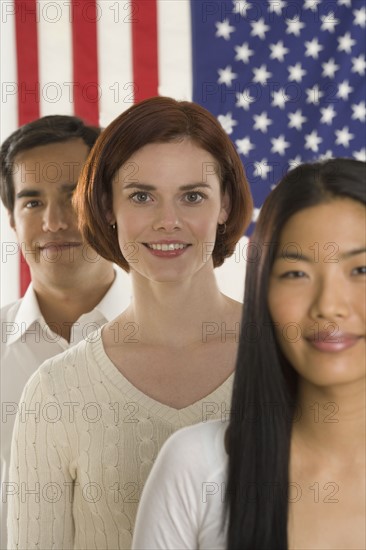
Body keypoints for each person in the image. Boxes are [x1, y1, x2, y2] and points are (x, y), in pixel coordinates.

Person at [7, 97, 253, 549]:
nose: (167, 222)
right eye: (142, 196)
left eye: (192, 196)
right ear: (104, 208)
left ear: (226, 204)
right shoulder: (56, 390)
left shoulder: (291, 356)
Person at [131, 157, 366, 550]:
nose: (329, 306)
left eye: (361, 271)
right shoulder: (197, 466)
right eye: (296, 273)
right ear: (262, 292)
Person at [0, 115, 131, 549]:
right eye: (32, 202)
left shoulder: (179, 342)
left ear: (108, 207)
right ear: (12, 219)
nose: (54, 222)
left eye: (73, 196)